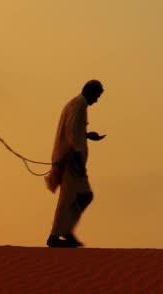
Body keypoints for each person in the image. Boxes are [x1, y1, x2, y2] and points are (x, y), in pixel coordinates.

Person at [44, 80, 105, 248]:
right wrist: (77, 153)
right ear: (91, 92)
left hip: (72, 158)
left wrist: (86, 135)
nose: (97, 100)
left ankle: (65, 230)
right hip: (72, 159)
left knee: (81, 196)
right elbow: (71, 130)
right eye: (97, 96)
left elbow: (74, 129)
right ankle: (56, 235)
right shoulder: (79, 104)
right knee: (70, 198)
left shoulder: (77, 103)